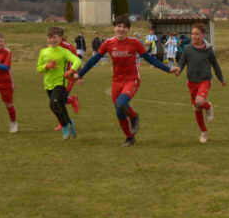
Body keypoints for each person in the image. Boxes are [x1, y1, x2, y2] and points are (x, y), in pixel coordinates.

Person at [75, 16, 181, 147]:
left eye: (124, 27)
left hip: (132, 79)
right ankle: (129, 138)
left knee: (121, 103)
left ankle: (134, 116)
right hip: (116, 81)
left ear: (128, 29)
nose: (121, 29)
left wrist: (168, 69)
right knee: (119, 111)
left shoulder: (134, 43)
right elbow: (94, 60)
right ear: (114, 28)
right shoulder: (108, 43)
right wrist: (80, 74)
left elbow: (149, 58)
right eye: (118, 26)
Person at [179, 23, 226, 143]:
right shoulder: (187, 49)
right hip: (191, 82)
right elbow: (182, 63)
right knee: (197, 108)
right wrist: (178, 70)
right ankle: (204, 132)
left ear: (203, 35)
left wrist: (221, 79)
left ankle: (209, 106)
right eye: (192, 34)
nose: (194, 36)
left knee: (199, 102)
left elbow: (215, 65)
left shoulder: (208, 50)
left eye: (197, 34)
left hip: (204, 80)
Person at [37, 26, 83, 139]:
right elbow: (39, 68)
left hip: (61, 82)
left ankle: (65, 125)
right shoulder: (44, 52)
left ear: (61, 38)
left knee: (54, 103)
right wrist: (47, 66)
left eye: (54, 37)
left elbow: (77, 60)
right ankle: (69, 122)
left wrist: (72, 71)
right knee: (58, 106)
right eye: (49, 37)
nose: (52, 40)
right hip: (48, 83)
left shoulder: (64, 51)